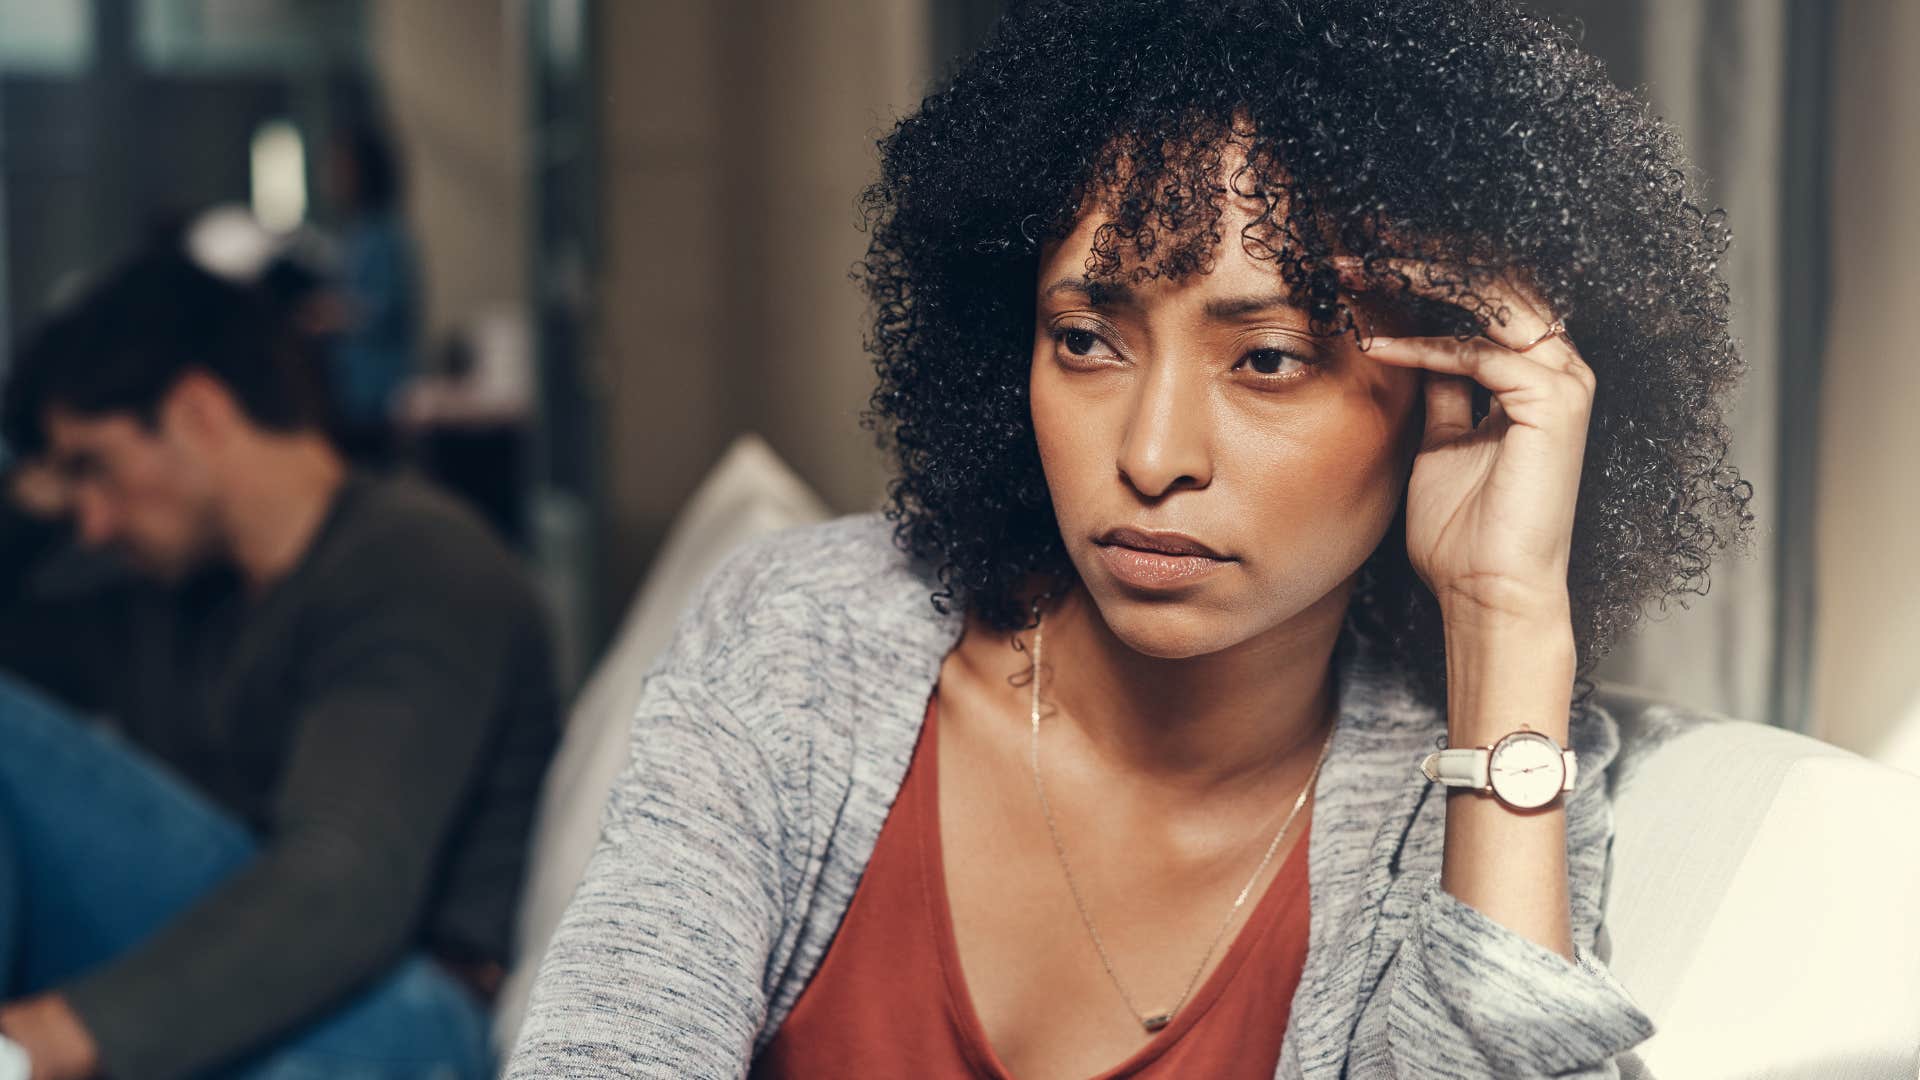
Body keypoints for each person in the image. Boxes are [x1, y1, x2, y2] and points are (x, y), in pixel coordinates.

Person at [507, 0, 1751, 1076]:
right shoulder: (807, 642)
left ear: (1450, 392)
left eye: (1267, 359)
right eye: (1087, 340)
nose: (1152, 456)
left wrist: (1504, 618)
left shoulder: (1486, 783)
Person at [0, 251, 560, 1079]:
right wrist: (28, 499)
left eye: (95, 467)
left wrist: (43, 1039)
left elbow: (343, 883)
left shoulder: (416, 564)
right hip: (270, 980)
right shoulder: (181, 594)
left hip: (399, 1014)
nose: (90, 521)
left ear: (197, 411)